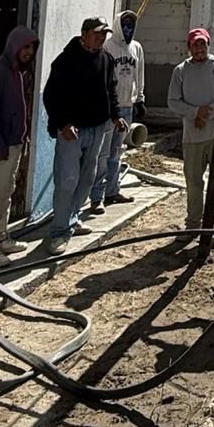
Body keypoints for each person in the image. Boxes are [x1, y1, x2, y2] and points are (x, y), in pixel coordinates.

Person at [43, 17, 125, 255]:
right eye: (97, 34)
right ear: (84, 34)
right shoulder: (65, 61)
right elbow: (51, 96)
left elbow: (111, 89)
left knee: (87, 179)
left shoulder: (106, 59)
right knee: (67, 180)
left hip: (97, 128)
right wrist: (63, 123)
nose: (101, 38)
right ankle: (59, 232)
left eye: (104, 34)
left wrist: (116, 116)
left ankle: (73, 218)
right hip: (72, 130)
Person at [0, 25, 40, 268]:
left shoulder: (17, 72)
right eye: (25, 47)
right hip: (0, 147)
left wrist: (21, 138)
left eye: (32, 47)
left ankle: (2, 238)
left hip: (14, 144)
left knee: (7, 192)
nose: (29, 52)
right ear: (14, 46)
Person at [167, 28, 214, 235]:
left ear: (208, 45)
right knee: (193, 182)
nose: (199, 49)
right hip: (192, 136)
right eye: (195, 45)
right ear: (188, 47)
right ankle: (193, 223)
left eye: (202, 44)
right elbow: (173, 101)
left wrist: (206, 114)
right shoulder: (181, 71)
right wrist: (195, 112)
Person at [88, 9, 145, 213]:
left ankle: (113, 191)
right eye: (125, 25)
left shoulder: (136, 48)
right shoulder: (107, 47)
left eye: (132, 25)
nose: (128, 29)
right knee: (102, 154)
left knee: (117, 152)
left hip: (127, 106)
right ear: (118, 26)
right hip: (108, 108)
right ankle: (97, 197)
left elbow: (140, 73)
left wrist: (140, 98)